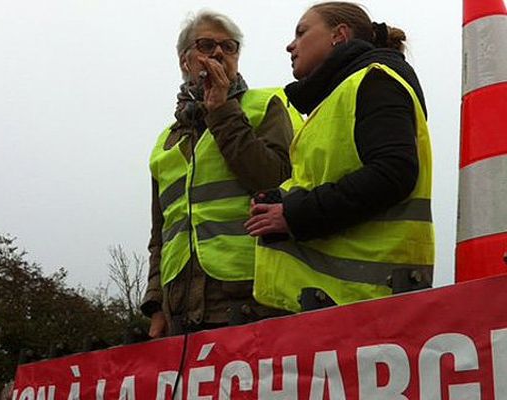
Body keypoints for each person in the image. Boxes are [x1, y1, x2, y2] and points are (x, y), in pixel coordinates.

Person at [245, 2, 434, 313]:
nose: (290, 45)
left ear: (339, 35)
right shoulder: (337, 97)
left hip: (368, 300)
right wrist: (282, 198)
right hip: (338, 302)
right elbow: (333, 177)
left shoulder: (375, 81)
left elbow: (393, 172)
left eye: (302, 32)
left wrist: (293, 214)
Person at [141, 10, 303, 337]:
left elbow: (273, 180)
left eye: (229, 47)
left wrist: (223, 111)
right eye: (206, 45)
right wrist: (156, 302)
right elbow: (161, 233)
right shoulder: (167, 140)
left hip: (250, 298)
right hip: (180, 308)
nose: (218, 53)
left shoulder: (265, 105)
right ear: (186, 61)